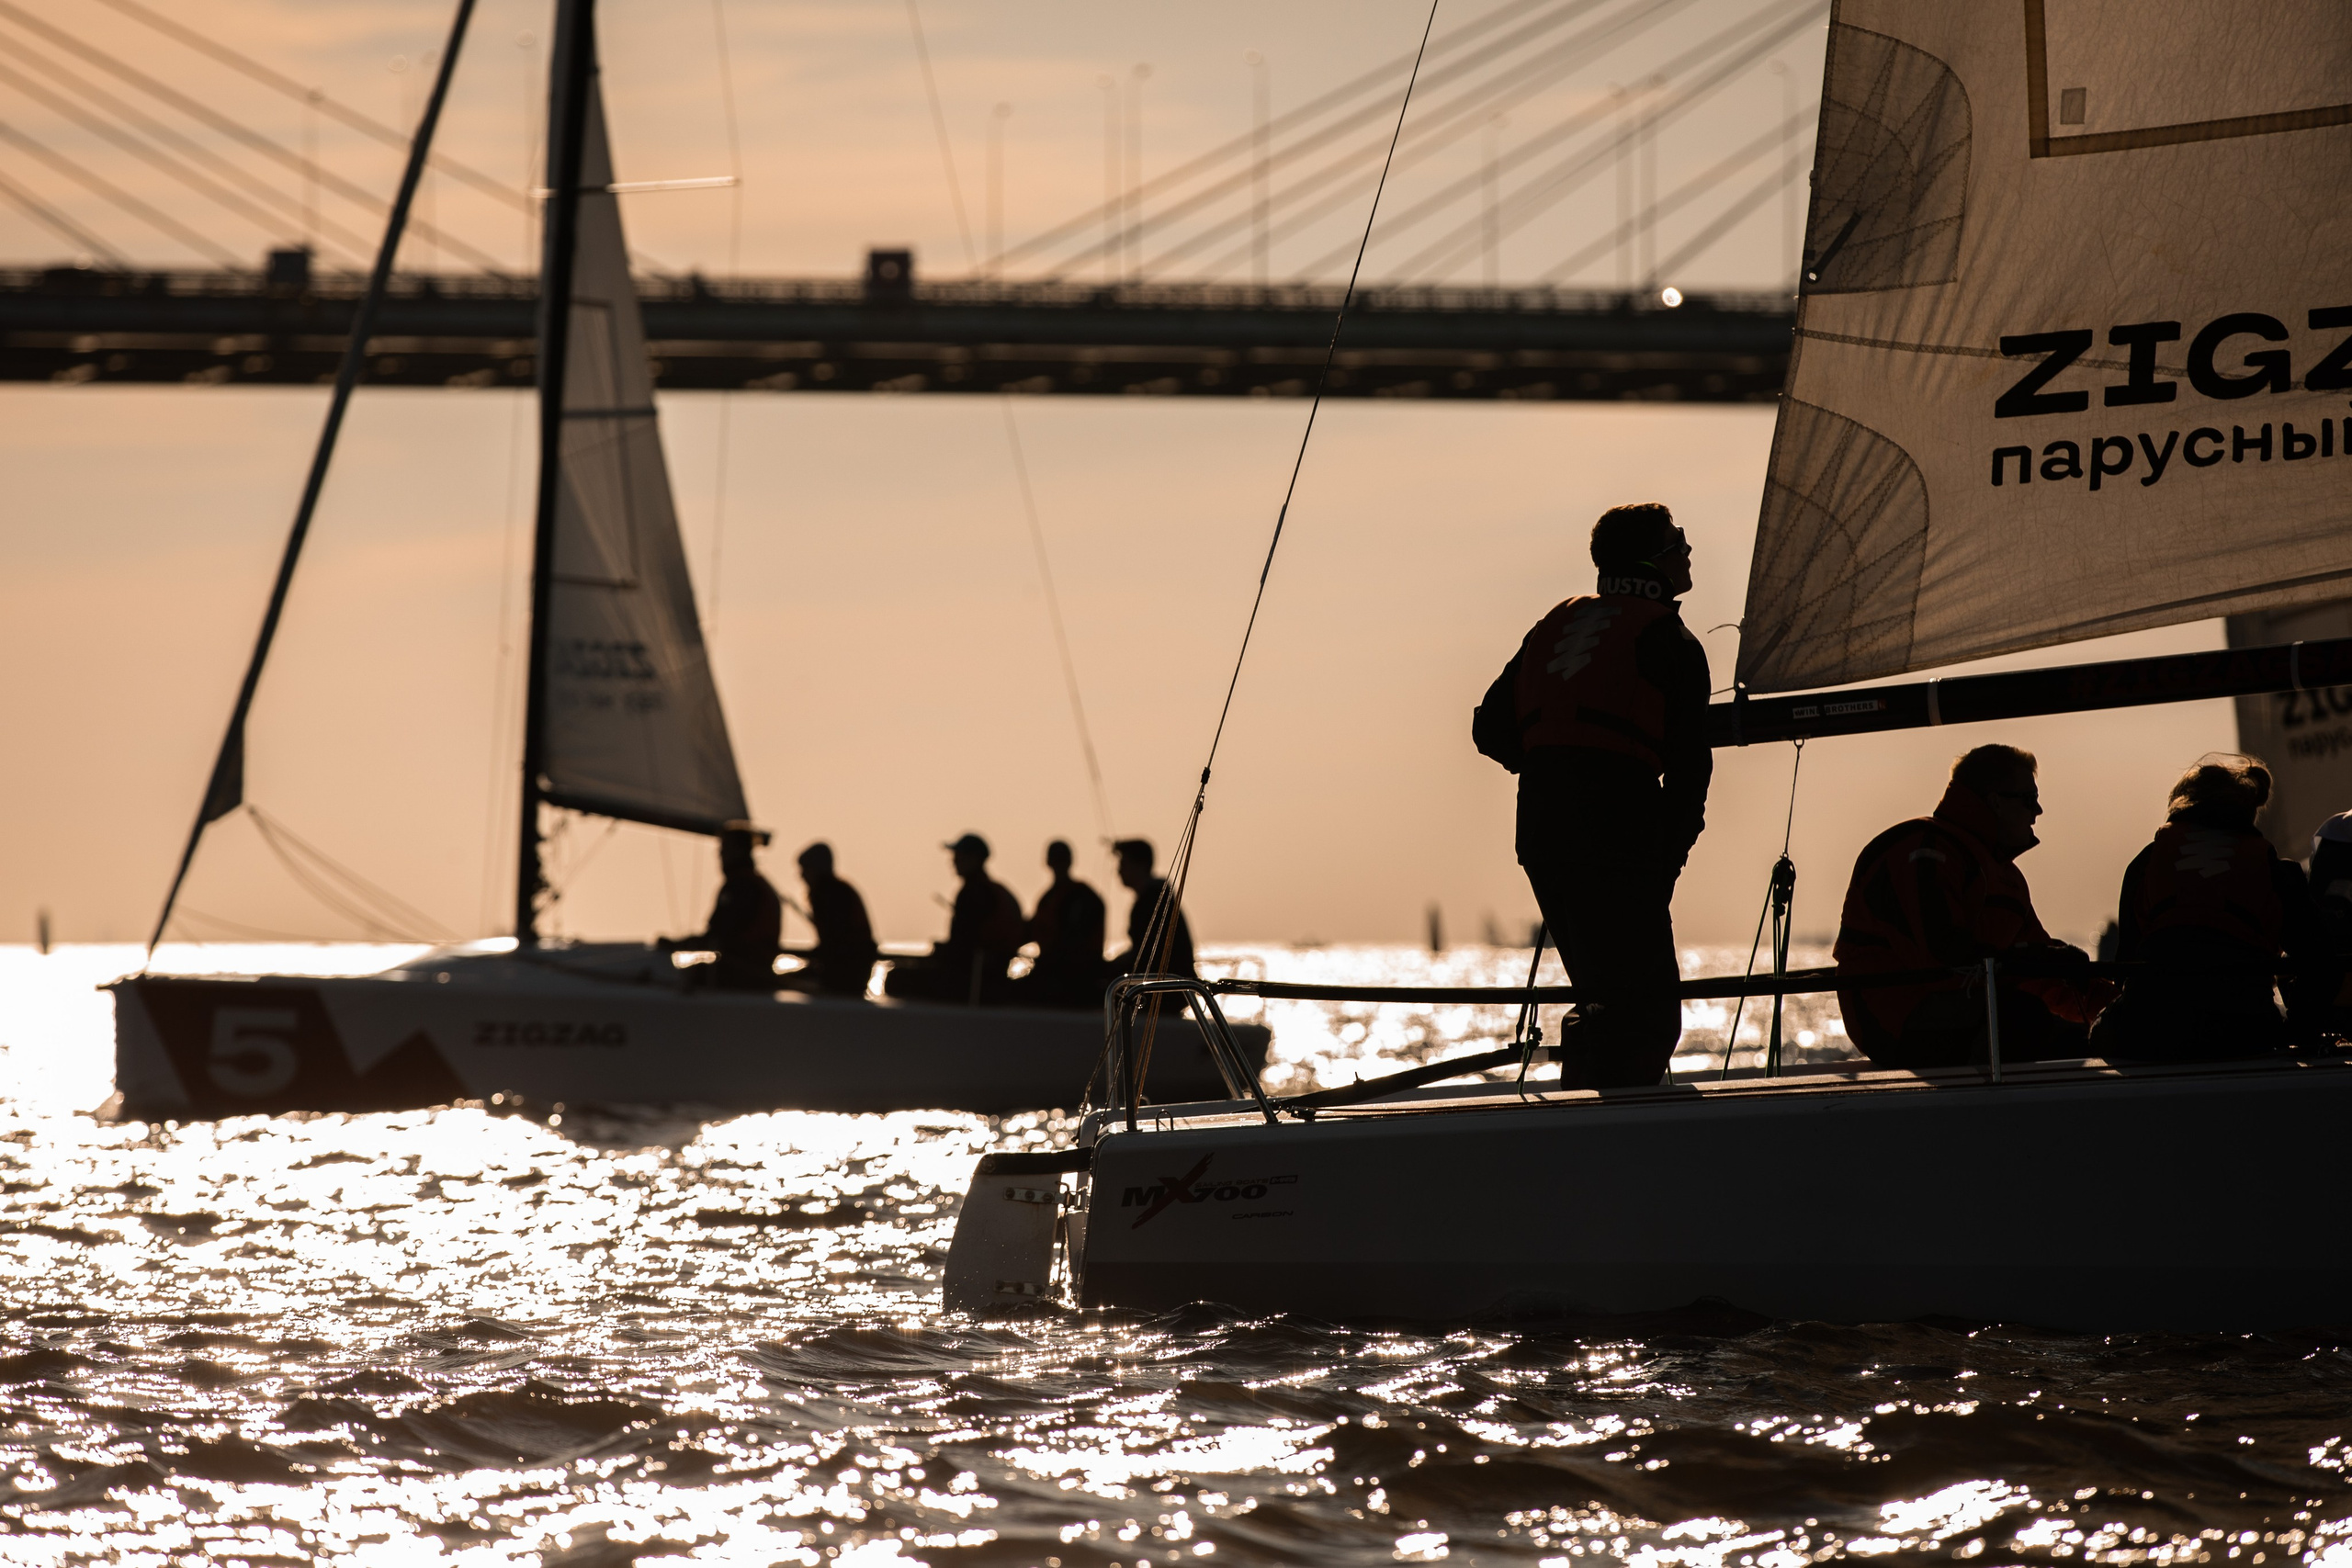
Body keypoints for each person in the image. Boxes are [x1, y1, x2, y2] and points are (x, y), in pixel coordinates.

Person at [1472, 502, 1711, 1089]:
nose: (1688, 548)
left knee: (1605, 997)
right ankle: (1615, 1146)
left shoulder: (1556, 622)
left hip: (1543, 828)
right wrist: (1667, 858)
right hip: (1618, 830)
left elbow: (1489, 729)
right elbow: (1688, 773)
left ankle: (1586, 1109)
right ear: (1652, 560)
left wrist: (1555, 763)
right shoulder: (1670, 638)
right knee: (1646, 1014)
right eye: (1677, 539)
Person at [1834, 745, 2112, 1067]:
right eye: (2028, 799)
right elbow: (1943, 954)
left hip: (1969, 1009)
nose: (2038, 811)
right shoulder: (1924, 851)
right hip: (1896, 1021)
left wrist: (2120, 1009)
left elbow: (2041, 972)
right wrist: (2034, 959)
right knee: (2025, 1017)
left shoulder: (2006, 878)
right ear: (1995, 800)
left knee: (2086, 1039)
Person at [2091, 757, 2327, 1062]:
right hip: (2245, 1031)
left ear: (2182, 804)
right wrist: (2298, 1031)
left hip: (2150, 1029)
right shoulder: (2277, 871)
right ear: (2248, 810)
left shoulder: (2147, 863)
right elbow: (2319, 960)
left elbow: (2124, 967)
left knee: (2101, 1030)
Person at [883, 833, 1024, 1005]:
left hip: (974, 979)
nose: (953, 861)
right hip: (989, 975)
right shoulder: (990, 890)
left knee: (897, 978)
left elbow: (964, 946)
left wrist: (942, 952)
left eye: (959, 856)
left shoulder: (974, 893)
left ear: (974, 859)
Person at [674, 821, 781, 992]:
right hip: (755, 971)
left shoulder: (742, 886)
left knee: (681, 979)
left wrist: (681, 944)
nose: (720, 854)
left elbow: (722, 932)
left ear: (738, 850)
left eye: (724, 848)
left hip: (745, 974)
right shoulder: (752, 883)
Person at [1014, 840, 1108, 1009]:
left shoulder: (1082, 896)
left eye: (1060, 858)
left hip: (1075, 977)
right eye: (1055, 858)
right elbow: (1032, 931)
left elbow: (1073, 939)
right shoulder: (1049, 897)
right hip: (1054, 973)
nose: (1058, 863)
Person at [782, 841, 877, 998]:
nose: (801, 875)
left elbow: (836, 938)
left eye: (805, 869)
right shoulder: (837, 890)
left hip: (846, 971)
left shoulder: (830, 894)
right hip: (850, 969)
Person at [1108, 838, 1196, 979]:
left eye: (1123, 864)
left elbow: (1145, 954)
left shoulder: (1151, 900)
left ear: (1141, 865)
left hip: (1165, 985)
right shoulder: (1157, 895)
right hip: (1172, 980)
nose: (1118, 871)